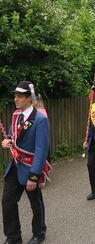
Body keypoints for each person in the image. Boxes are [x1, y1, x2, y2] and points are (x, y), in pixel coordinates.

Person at [1, 81, 51, 244]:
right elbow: (12, 135)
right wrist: (7, 141)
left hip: (30, 168)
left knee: (35, 203)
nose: (16, 99)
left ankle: (39, 233)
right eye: (15, 96)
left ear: (29, 98)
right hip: (15, 166)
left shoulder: (40, 119)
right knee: (7, 202)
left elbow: (41, 150)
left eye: (20, 96)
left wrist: (34, 176)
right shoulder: (16, 115)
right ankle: (13, 236)